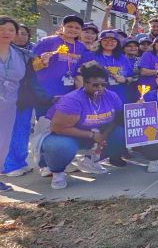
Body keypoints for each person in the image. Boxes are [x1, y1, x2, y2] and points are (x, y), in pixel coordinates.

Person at [40, 63, 126, 189]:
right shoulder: (72, 100)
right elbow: (57, 128)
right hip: (64, 134)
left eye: (104, 84)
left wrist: (103, 136)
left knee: (121, 135)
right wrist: (91, 135)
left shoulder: (111, 96)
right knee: (59, 147)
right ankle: (57, 172)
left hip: (95, 131)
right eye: (95, 85)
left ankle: (91, 160)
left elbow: (117, 119)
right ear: (85, 83)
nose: (100, 88)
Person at [0, 17, 34, 186]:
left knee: (12, 135)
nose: (6, 33)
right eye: (1, 29)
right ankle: (7, 166)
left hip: (14, 102)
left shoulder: (23, 54)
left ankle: (12, 166)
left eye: (11, 30)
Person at [31, 15, 85, 116]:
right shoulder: (47, 41)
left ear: (81, 30)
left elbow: (80, 70)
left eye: (77, 28)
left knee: (62, 125)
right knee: (44, 125)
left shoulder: (81, 47)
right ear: (62, 27)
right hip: (45, 93)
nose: (73, 29)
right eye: (70, 26)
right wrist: (42, 62)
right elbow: (31, 65)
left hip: (68, 93)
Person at [79, 30, 133, 103]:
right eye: (105, 40)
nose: (109, 42)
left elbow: (131, 77)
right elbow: (80, 76)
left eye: (113, 40)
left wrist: (125, 80)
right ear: (99, 42)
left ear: (117, 43)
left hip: (119, 97)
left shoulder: (123, 58)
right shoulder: (89, 56)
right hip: (95, 97)